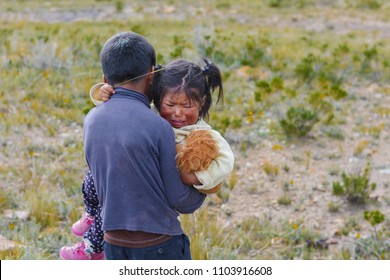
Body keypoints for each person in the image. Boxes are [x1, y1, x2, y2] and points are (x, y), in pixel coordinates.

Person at [60, 57, 235, 260]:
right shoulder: (153, 120)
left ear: (201, 103)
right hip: (135, 205)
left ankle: (93, 245)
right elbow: (121, 110)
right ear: (157, 99)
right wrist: (106, 93)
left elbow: (226, 160)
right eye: (170, 104)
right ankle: (91, 222)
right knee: (93, 182)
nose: (177, 113)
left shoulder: (202, 133)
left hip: (154, 212)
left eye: (187, 106)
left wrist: (198, 178)